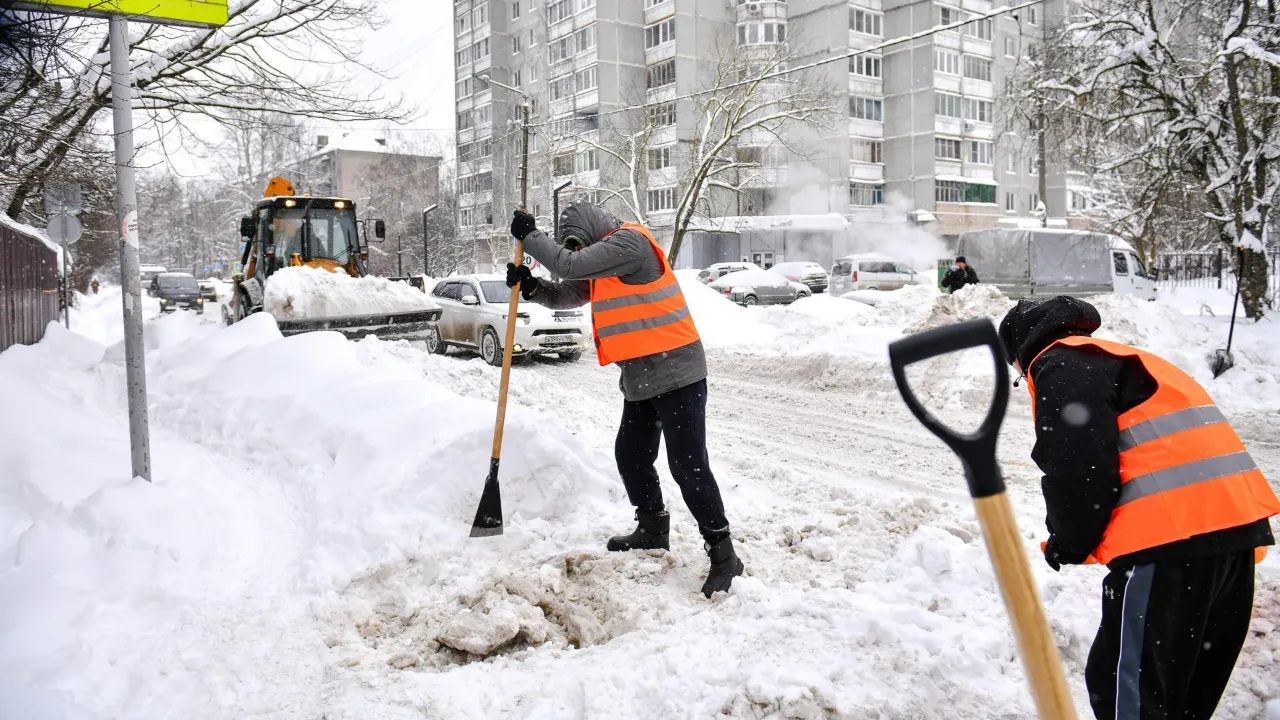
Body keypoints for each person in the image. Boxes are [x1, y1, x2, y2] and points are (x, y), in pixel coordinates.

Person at [997, 295, 1278, 720]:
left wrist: (1069, 542)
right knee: (1182, 698)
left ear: (1021, 351)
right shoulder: (1125, 359)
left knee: (1125, 695)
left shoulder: (1060, 364)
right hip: (1234, 542)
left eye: (1017, 371)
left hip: (1169, 547)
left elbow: (1079, 466)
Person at [504, 203, 744, 598]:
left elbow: (567, 265)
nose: (580, 254)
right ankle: (652, 528)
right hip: (642, 376)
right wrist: (533, 288)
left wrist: (530, 236)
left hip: (678, 371)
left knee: (687, 466)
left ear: (596, 231)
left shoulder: (631, 243)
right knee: (631, 456)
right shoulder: (605, 263)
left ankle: (724, 554)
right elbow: (570, 292)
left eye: (582, 244)